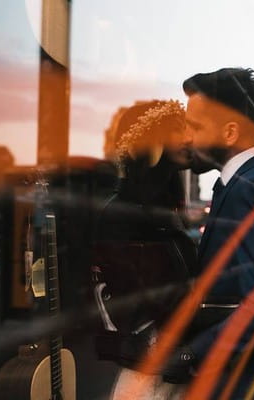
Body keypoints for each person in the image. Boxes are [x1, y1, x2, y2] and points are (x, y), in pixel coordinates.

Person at [164, 67, 254, 398]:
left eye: (195, 126)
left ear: (229, 133)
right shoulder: (250, 183)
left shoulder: (250, 188)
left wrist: (191, 353)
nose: (187, 137)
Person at [91, 100, 198, 399]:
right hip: (148, 377)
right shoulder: (124, 213)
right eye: (179, 129)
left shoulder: (164, 208)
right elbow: (130, 303)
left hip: (170, 370)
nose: (189, 137)